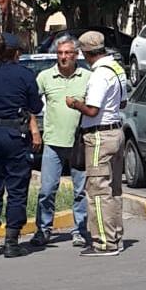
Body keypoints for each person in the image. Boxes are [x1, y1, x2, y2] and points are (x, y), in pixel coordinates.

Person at [0, 33, 43, 258]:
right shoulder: (24, 75)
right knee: (16, 188)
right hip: (15, 135)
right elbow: (35, 105)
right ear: (16, 53)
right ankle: (12, 242)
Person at [66, 31, 127, 257]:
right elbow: (123, 101)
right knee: (113, 190)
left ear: (86, 52)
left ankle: (103, 242)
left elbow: (92, 109)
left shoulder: (100, 74)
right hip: (115, 131)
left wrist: (74, 104)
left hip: (99, 136)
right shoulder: (117, 69)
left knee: (98, 191)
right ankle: (115, 237)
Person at [31, 36, 91, 248]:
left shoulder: (87, 77)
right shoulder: (45, 77)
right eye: (60, 53)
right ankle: (44, 229)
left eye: (67, 53)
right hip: (53, 143)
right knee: (47, 190)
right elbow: (30, 104)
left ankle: (80, 231)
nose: (63, 57)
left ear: (76, 55)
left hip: (79, 144)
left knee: (80, 191)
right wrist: (34, 131)